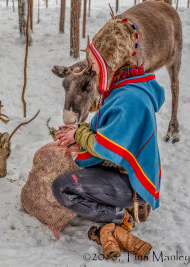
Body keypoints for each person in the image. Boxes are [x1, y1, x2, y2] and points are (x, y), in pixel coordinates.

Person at [51, 18, 164, 232]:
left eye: (94, 63)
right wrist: (81, 131)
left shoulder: (129, 99)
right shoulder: (125, 86)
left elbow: (106, 146)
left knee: (62, 187)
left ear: (107, 62)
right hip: (121, 173)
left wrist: (79, 136)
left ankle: (118, 215)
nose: (92, 68)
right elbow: (108, 132)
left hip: (129, 183)